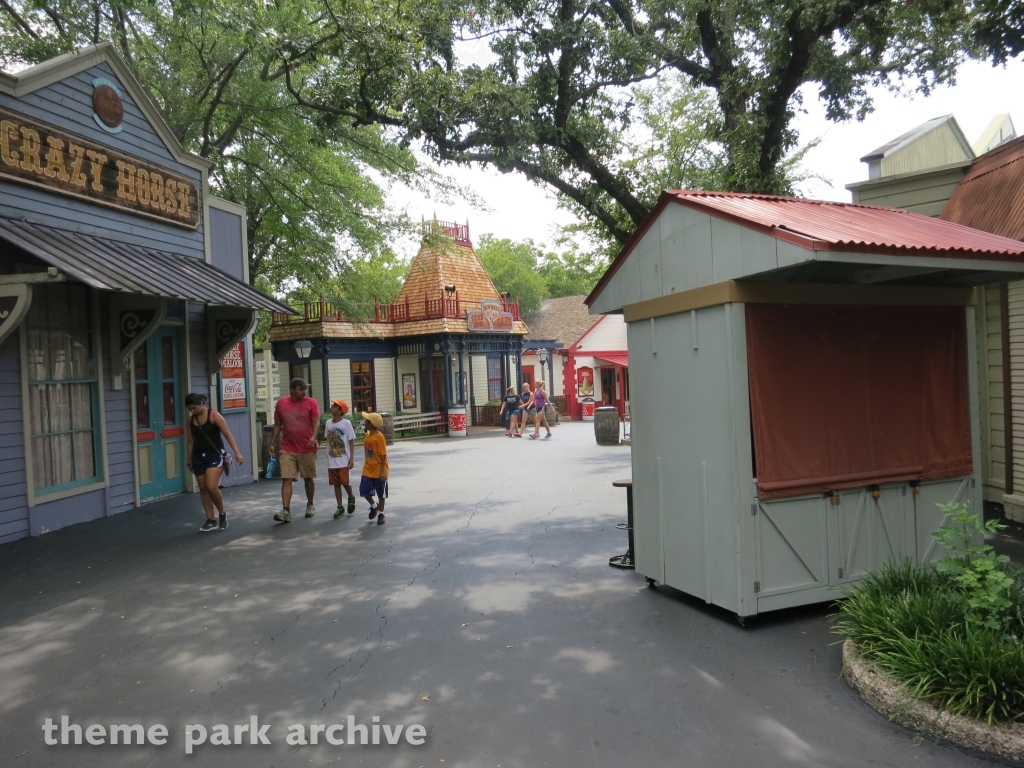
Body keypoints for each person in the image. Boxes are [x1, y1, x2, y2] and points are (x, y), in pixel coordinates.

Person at [185, 393, 244, 532]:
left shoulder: (214, 415)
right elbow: (190, 441)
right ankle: (210, 520)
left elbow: (227, 434)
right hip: (198, 456)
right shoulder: (190, 420)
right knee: (203, 488)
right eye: (190, 409)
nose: (193, 411)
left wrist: (237, 452)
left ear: (201, 404)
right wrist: (189, 460)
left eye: (195, 408)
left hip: (215, 455)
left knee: (211, 486)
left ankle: (222, 514)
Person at [268, 378, 320, 523]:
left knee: (308, 477)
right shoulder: (282, 403)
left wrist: (313, 437)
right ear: (292, 389)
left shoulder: (311, 402)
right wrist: (272, 443)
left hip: (307, 447)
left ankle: (310, 504)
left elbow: (316, 422)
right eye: (301, 389)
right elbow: (278, 425)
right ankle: (286, 511)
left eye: (305, 389)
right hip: (287, 447)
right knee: (286, 478)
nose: (304, 392)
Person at [325, 399, 357, 518]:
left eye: (334, 406)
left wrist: (351, 458)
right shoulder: (328, 423)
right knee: (336, 483)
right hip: (332, 459)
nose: (331, 407)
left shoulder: (346, 423)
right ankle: (339, 507)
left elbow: (351, 441)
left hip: (344, 459)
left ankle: (351, 497)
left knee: (345, 482)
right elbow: (328, 439)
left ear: (340, 411)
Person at [360, 411, 389, 525]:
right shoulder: (367, 435)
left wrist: (382, 471)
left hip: (379, 469)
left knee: (381, 493)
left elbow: (383, 455)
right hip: (368, 468)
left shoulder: (379, 437)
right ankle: (374, 506)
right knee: (364, 490)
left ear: (371, 424)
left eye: (367, 421)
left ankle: (381, 514)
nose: (365, 422)